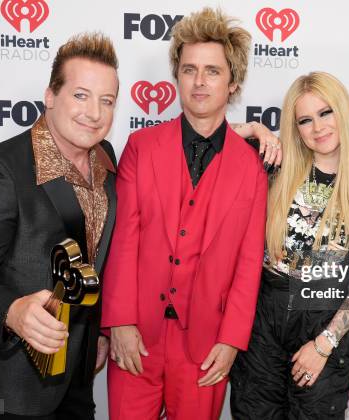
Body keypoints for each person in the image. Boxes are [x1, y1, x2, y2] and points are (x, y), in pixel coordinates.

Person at [101, 8, 268, 420]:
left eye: (212, 71)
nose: (199, 81)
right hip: (137, 335)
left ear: (233, 84)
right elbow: (123, 240)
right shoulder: (141, 147)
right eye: (189, 69)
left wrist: (231, 341)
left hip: (206, 346)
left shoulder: (251, 168)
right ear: (176, 75)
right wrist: (119, 321)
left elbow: (249, 265)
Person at [0, 33, 120, 419]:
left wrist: (100, 332)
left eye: (106, 101)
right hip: (13, 378)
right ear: (50, 96)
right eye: (80, 95)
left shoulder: (106, 161)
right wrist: (11, 311)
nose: (94, 112)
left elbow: (95, 256)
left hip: (78, 369)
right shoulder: (1, 170)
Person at [230, 71, 349, 419]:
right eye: (305, 120)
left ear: (343, 111)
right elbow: (208, 136)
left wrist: (324, 345)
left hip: (324, 319)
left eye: (326, 113)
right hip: (263, 317)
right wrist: (255, 130)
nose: (318, 127)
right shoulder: (277, 165)